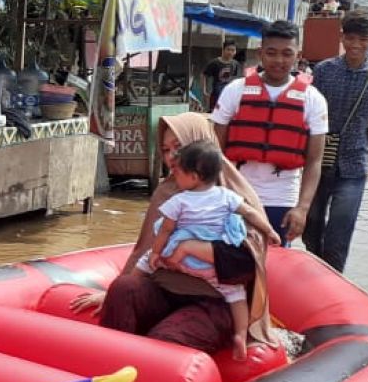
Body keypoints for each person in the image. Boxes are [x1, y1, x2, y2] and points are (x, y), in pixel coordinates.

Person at [71, 113, 276, 355]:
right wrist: (111, 295)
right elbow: (145, 250)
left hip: (212, 301)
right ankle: (104, 368)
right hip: (164, 291)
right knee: (124, 288)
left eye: (179, 149)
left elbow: (247, 260)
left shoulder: (233, 195)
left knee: (166, 342)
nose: (171, 158)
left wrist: (191, 248)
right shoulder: (166, 193)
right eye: (166, 150)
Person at [134, 141, 281, 360]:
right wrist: (270, 231)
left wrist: (155, 254)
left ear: (194, 176)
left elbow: (165, 230)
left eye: (178, 171)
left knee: (145, 261)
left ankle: (137, 278)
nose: (173, 174)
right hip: (211, 265)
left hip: (180, 261)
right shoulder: (226, 196)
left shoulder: (179, 201)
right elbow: (250, 213)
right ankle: (240, 335)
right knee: (235, 294)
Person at [211, 20, 328, 244]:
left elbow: (314, 161)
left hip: (283, 198)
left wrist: (302, 209)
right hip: (236, 192)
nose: (279, 61)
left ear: (298, 55)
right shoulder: (235, 90)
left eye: (287, 54)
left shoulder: (313, 99)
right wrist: (216, 193)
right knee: (229, 259)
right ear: (260, 53)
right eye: (271, 53)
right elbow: (216, 150)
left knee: (274, 260)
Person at [304, 10, 368, 272]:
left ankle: (331, 282)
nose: (355, 45)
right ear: (342, 37)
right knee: (311, 227)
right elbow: (308, 118)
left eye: (362, 39)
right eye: (350, 38)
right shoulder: (324, 71)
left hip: (355, 165)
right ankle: (317, 271)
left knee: (340, 233)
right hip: (319, 162)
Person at [201, 39, 242, 112]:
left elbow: (236, 80)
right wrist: (204, 90)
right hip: (216, 96)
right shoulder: (214, 63)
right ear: (223, 50)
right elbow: (203, 75)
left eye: (233, 50)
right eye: (228, 49)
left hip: (230, 96)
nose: (230, 52)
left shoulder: (235, 64)